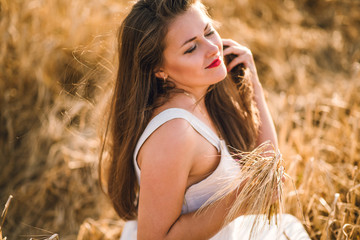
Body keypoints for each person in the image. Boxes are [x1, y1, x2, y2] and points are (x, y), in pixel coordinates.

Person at [101, 0, 310, 239]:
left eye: (209, 31)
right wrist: (238, 201)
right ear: (159, 69)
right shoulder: (174, 134)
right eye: (191, 48)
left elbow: (268, 167)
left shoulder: (202, 94)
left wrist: (254, 86)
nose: (212, 48)